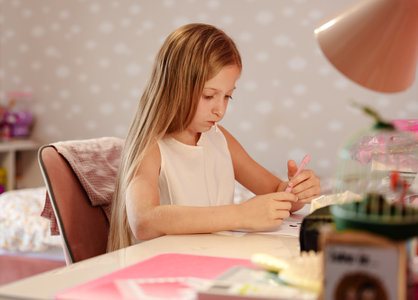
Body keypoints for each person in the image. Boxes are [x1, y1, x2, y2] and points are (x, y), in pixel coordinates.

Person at [107, 23, 321, 251]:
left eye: (228, 96)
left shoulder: (219, 138)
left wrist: (295, 193)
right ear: (175, 87)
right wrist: (240, 214)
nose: (220, 110)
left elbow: (275, 190)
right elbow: (143, 221)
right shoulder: (152, 146)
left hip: (212, 258)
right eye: (209, 96)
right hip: (164, 267)